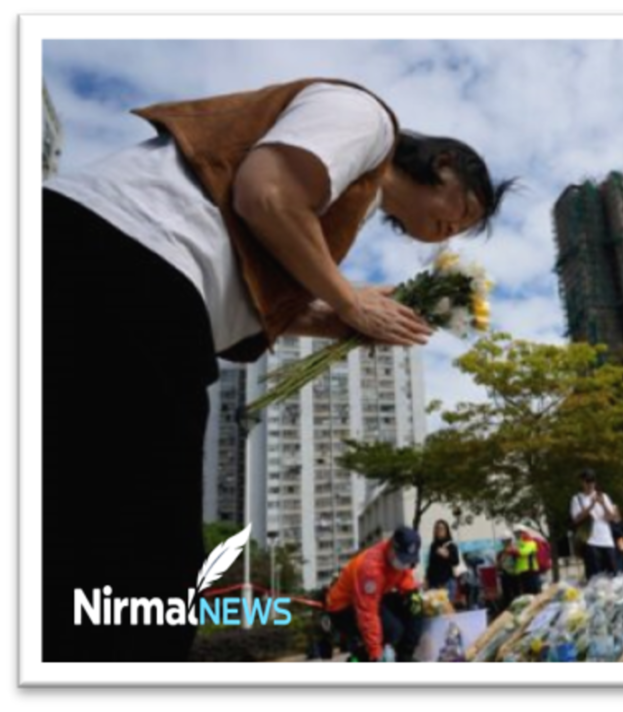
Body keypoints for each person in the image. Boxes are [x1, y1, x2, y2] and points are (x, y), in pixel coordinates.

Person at [42, 77, 515, 661]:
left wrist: (341, 318)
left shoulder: (349, 203)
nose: (453, 230)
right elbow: (265, 192)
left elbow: (256, 290)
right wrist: (348, 299)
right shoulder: (368, 119)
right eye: (460, 211)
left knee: (76, 537)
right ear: (443, 164)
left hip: (121, 280)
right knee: (141, 557)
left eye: (464, 230)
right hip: (127, 263)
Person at [325, 526, 425, 662]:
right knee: (393, 630)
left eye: (407, 561)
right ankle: (361, 659)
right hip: (344, 607)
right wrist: (375, 652)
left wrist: (411, 593)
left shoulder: (397, 560)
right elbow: (367, 614)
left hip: (370, 598)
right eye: (402, 560)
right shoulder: (371, 569)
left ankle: (405, 657)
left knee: (414, 607)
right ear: (391, 547)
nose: (404, 564)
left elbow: (403, 576)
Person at [569, 469, 620, 581]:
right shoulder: (577, 498)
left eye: (592, 481)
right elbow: (576, 519)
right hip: (590, 542)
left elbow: (613, 518)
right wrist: (592, 505)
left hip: (607, 542)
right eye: (587, 481)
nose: (590, 484)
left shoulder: (604, 496)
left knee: (613, 577)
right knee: (594, 579)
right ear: (582, 482)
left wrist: (603, 504)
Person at [425, 520, 460, 602]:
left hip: (447, 582)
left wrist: (447, 556)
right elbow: (431, 564)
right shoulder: (433, 546)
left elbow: (456, 561)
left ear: (446, 531)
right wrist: (427, 579)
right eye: (437, 528)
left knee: (447, 609)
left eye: (441, 529)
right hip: (434, 583)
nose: (439, 531)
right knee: (435, 609)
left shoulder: (451, 545)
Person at [512, 527, 543, 596]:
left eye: (519, 533)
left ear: (525, 533)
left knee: (534, 592)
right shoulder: (518, 544)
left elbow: (523, 552)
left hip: (531, 571)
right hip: (522, 572)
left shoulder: (531, 543)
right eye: (516, 534)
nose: (518, 535)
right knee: (526, 593)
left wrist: (513, 550)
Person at [496, 535, 521, 610]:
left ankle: (517, 607)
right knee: (507, 595)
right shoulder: (500, 553)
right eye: (504, 541)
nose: (505, 543)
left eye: (507, 541)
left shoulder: (515, 550)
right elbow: (498, 565)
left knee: (516, 594)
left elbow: (519, 561)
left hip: (515, 575)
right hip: (505, 575)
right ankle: (509, 609)